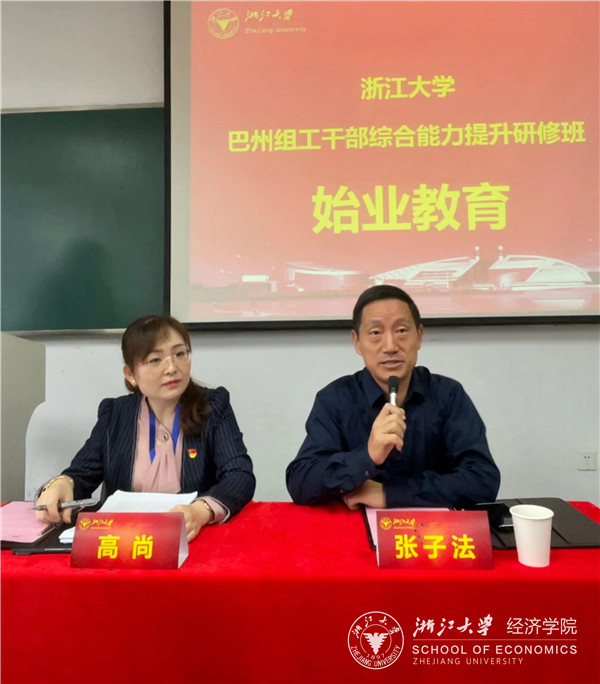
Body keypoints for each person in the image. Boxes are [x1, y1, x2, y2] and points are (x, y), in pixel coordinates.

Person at [35, 315, 255, 541]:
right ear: (131, 375)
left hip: (190, 539)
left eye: (180, 354)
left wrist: (201, 511)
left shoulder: (213, 406)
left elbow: (239, 475)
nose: (172, 368)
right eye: (155, 360)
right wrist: (63, 483)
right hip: (124, 542)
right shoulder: (115, 414)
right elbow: (81, 475)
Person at [286, 285, 500, 511]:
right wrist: (367, 457)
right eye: (375, 333)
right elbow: (301, 482)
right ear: (357, 342)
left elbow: (482, 480)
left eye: (401, 331)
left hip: (434, 529)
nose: (390, 346)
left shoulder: (448, 395)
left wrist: (389, 494)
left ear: (419, 336)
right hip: (357, 528)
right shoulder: (335, 399)